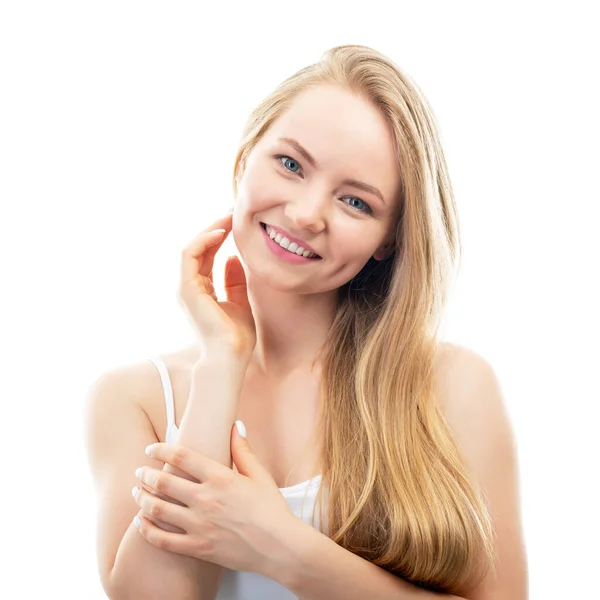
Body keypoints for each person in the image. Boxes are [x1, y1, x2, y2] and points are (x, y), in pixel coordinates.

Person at [84, 44, 528, 600]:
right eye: (291, 164)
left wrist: (279, 546)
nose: (306, 214)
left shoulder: (452, 385)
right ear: (246, 156)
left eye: (356, 202)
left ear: (388, 239)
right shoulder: (136, 398)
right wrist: (221, 361)